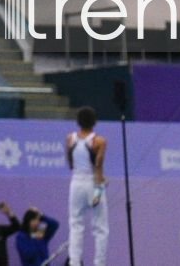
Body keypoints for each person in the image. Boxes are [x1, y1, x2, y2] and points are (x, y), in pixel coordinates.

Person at [66, 106, 109, 266]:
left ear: (78, 122)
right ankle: (99, 263)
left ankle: (74, 262)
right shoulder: (99, 141)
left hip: (76, 183)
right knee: (100, 228)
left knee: (75, 224)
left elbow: (71, 164)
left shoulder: (70, 138)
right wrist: (99, 189)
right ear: (94, 122)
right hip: (92, 182)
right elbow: (98, 166)